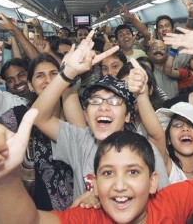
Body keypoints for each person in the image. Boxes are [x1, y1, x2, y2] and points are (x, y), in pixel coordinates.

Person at [0, 102, 193, 223]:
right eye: (108, 172)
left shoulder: (171, 202)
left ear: (153, 181)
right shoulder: (87, 218)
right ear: (94, 183)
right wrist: (2, 179)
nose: (120, 185)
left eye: (133, 171)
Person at [31, 30, 170, 198]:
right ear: (86, 115)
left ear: (127, 115)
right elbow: (38, 116)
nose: (103, 107)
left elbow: (164, 205)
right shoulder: (80, 142)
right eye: (96, 101)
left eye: (114, 101)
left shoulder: (145, 149)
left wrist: (141, 94)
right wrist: (68, 73)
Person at [156, 102, 193, 183]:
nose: (185, 129)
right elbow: (154, 134)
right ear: (168, 139)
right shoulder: (167, 169)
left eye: (192, 125)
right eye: (177, 125)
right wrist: (142, 96)